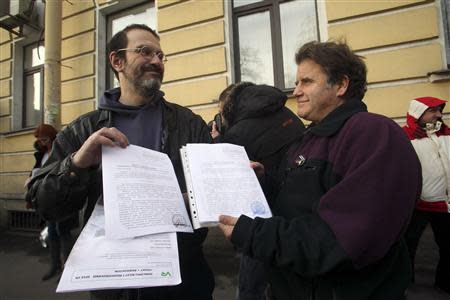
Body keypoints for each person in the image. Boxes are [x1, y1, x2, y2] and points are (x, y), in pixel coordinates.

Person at [218, 41, 422, 299]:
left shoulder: (374, 134)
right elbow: (299, 202)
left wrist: (252, 234)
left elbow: (340, 240)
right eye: (297, 82)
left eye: (306, 82)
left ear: (341, 85)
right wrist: (264, 182)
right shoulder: (309, 137)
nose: (296, 91)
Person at [26, 24, 214, 299]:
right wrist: (77, 164)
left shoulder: (189, 124)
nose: (156, 61)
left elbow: (210, 194)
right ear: (117, 61)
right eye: (144, 51)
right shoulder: (83, 130)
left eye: (161, 55)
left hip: (182, 281)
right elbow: (44, 205)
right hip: (113, 285)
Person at [210, 82, 305, 300]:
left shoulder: (239, 133)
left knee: (252, 283)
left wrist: (218, 142)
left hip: (264, 217)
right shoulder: (283, 111)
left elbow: (226, 173)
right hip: (298, 208)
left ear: (229, 107)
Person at [402, 96, 450, 293]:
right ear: (418, 113)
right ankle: (405, 286)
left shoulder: (447, 134)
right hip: (417, 204)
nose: (439, 115)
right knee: (407, 247)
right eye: (433, 111)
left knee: (449, 248)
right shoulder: (404, 137)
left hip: (445, 203)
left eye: (439, 110)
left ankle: (445, 284)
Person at [25, 124, 78, 281]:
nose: (42, 142)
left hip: (62, 198)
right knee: (52, 233)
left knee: (64, 232)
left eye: (45, 139)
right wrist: (31, 180)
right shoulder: (40, 154)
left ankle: (66, 268)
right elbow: (37, 171)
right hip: (46, 199)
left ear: (52, 137)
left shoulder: (62, 148)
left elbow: (69, 169)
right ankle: (54, 266)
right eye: (40, 140)